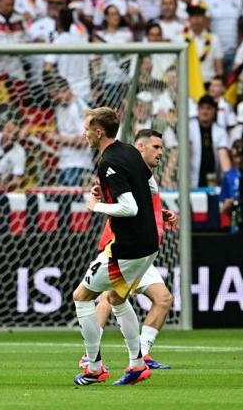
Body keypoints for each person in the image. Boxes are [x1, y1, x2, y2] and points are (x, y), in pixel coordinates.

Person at [72, 107, 160, 387]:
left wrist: (97, 205)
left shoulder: (108, 161)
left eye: (87, 128)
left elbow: (129, 207)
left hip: (128, 247)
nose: (84, 133)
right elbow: (151, 188)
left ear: (99, 131)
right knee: (117, 299)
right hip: (149, 243)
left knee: (82, 296)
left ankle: (94, 367)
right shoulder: (130, 151)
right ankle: (136, 365)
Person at [90, 129, 178, 370]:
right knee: (109, 297)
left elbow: (141, 207)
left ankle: (143, 354)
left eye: (162, 148)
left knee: (162, 298)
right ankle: (91, 356)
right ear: (141, 147)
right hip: (123, 246)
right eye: (156, 147)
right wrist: (99, 201)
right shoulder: (127, 169)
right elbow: (124, 205)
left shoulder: (145, 176)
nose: (161, 152)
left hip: (143, 251)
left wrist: (162, 214)